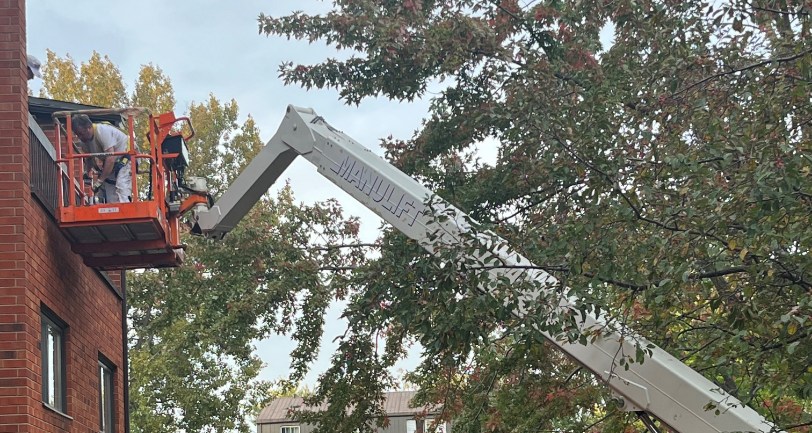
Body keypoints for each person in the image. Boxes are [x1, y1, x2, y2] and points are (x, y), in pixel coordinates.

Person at [71, 114, 132, 203]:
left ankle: (126, 209)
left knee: (122, 184)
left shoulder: (102, 131)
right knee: (110, 190)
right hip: (115, 161)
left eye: (81, 134)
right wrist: (87, 173)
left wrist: (100, 181)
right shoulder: (85, 141)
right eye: (77, 134)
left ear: (88, 127)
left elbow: (110, 157)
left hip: (127, 156)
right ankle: (114, 212)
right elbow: (89, 158)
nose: (80, 137)